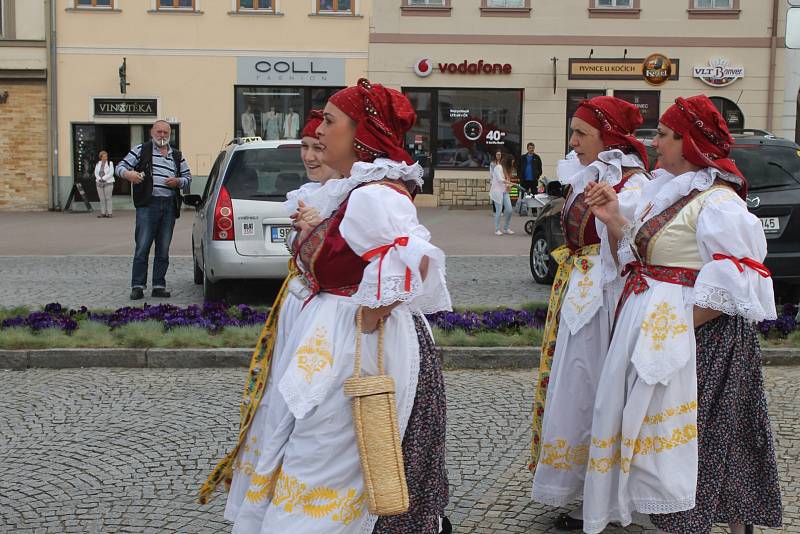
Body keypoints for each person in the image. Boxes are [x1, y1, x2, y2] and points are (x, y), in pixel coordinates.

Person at [228, 78, 452, 534]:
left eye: (330, 121)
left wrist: (373, 310)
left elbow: (420, 262)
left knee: (331, 453)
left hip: (362, 348)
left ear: (361, 133)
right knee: (320, 449)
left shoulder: (375, 194)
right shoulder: (356, 190)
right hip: (343, 337)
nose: (320, 131)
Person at [581, 95, 782, 534]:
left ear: (689, 143)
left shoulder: (718, 203)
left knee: (699, 442)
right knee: (675, 443)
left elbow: (740, 282)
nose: (655, 143)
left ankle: (706, 522)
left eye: (665, 136)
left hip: (703, 342)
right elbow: (639, 256)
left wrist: (672, 327)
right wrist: (614, 219)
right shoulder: (667, 192)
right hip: (667, 334)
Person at [198, 110, 343, 510]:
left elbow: (348, 267)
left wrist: (321, 231)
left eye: (319, 147)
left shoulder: (350, 196)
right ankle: (277, 490)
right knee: (281, 403)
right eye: (306, 148)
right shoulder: (311, 195)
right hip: (299, 314)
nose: (311, 157)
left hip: (328, 323)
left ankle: (307, 499)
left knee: (314, 411)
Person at [528, 96, 650, 531]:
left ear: (608, 137)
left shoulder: (633, 185)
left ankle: (603, 497)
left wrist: (612, 218)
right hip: (581, 292)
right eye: (573, 131)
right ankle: (579, 489)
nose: (573, 141)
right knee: (577, 385)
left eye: (582, 133)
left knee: (597, 389)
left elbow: (636, 249)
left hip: (606, 297)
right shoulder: (592, 176)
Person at [117, 120, 191, 300]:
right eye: (159, 132)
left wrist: (178, 182)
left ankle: (159, 285)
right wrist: (129, 175)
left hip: (168, 205)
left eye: (166, 132)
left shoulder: (177, 154)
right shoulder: (141, 149)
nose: (162, 135)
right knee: (142, 246)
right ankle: (138, 286)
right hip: (147, 205)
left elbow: (188, 177)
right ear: (152, 132)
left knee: (163, 248)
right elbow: (120, 167)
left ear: (170, 134)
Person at [490, 153, 515, 236]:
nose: (512, 165)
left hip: (504, 192)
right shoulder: (498, 168)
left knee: (510, 210)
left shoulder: (507, 170)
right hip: (497, 192)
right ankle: (497, 229)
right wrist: (512, 183)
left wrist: (509, 186)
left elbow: (506, 181)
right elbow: (500, 180)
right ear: (507, 162)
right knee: (499, 211)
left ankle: (506, 228)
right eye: (511, 163)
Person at [94, 150, 115, 218]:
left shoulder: (110, 163)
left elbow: (111, 172)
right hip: (99, 183)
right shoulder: (98, 163)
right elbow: (95, 172)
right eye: (104, 156)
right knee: (102, 199)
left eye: (106, 156)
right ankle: (103, 213)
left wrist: (104, 178)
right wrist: (99, 178)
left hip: (108, 182)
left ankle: (109, 213)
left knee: (108, 198)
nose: (105, 158)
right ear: (101, 157)